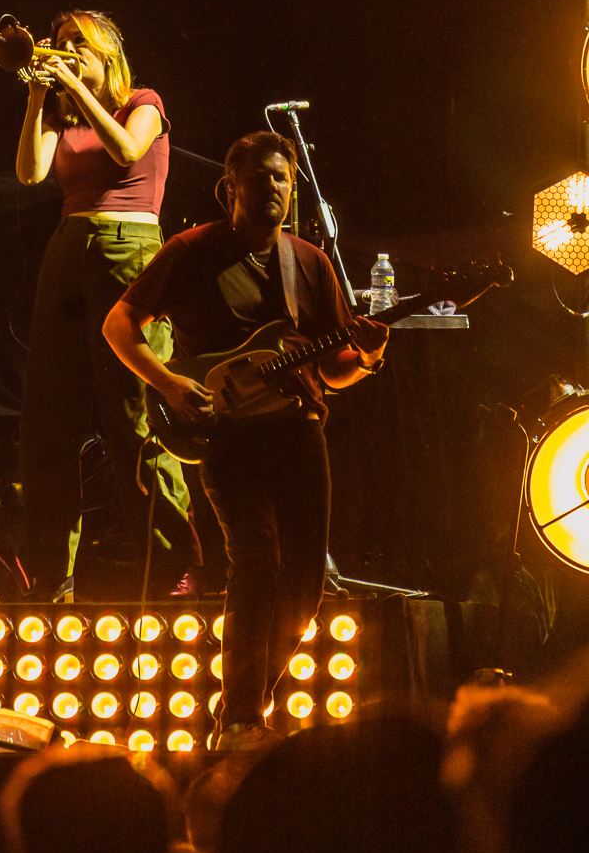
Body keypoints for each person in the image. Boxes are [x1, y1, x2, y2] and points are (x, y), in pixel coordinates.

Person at [102, 130, 388, 753]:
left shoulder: (308, 262)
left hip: (298, 429)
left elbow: (331, 370)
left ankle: (249, 707)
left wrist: (365, 356)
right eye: (260, 178)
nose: (274, 189)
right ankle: (238, 721)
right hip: (228, 434)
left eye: (282, 178)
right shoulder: (193, 250)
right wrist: (170, 382)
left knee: (306, 585)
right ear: (228, 188)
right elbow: (118, 322)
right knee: (257, 563)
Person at [15, 10, 200, 602]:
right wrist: (39, 97)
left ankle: (173, 569)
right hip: (68, 248)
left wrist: (72, 90)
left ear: (108, 54)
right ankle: (51, 578)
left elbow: (125, 151)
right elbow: (29, 173)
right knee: (50, 418)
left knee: (135, 416)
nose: (67, 51)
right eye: (61, 43)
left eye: (79, 44)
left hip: (129, 247)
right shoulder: (60, 112)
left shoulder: (141, 100)